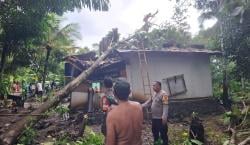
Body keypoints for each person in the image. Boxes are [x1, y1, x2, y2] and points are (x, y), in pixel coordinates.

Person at [105, 80, 143, 145]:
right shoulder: (138, 106)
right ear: (129, 92)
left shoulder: (112, 115)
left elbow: (110, 143)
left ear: (114, 94)